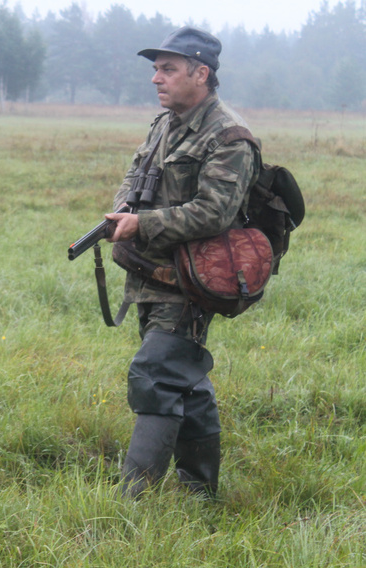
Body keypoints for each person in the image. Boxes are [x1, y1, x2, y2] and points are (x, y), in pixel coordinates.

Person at [103, 27, 260, 498]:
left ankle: (131, 503)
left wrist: (142, 225)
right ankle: (200, 494)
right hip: (151, 277)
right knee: (184, 383)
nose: (156, 78)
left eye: (167, 68)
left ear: (202, 72)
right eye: (155, 68)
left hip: (192, 281)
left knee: (154, 375)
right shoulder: (164, 124)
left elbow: (216, 213)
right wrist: (122, 214)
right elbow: (134, 181)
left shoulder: (229, 136)